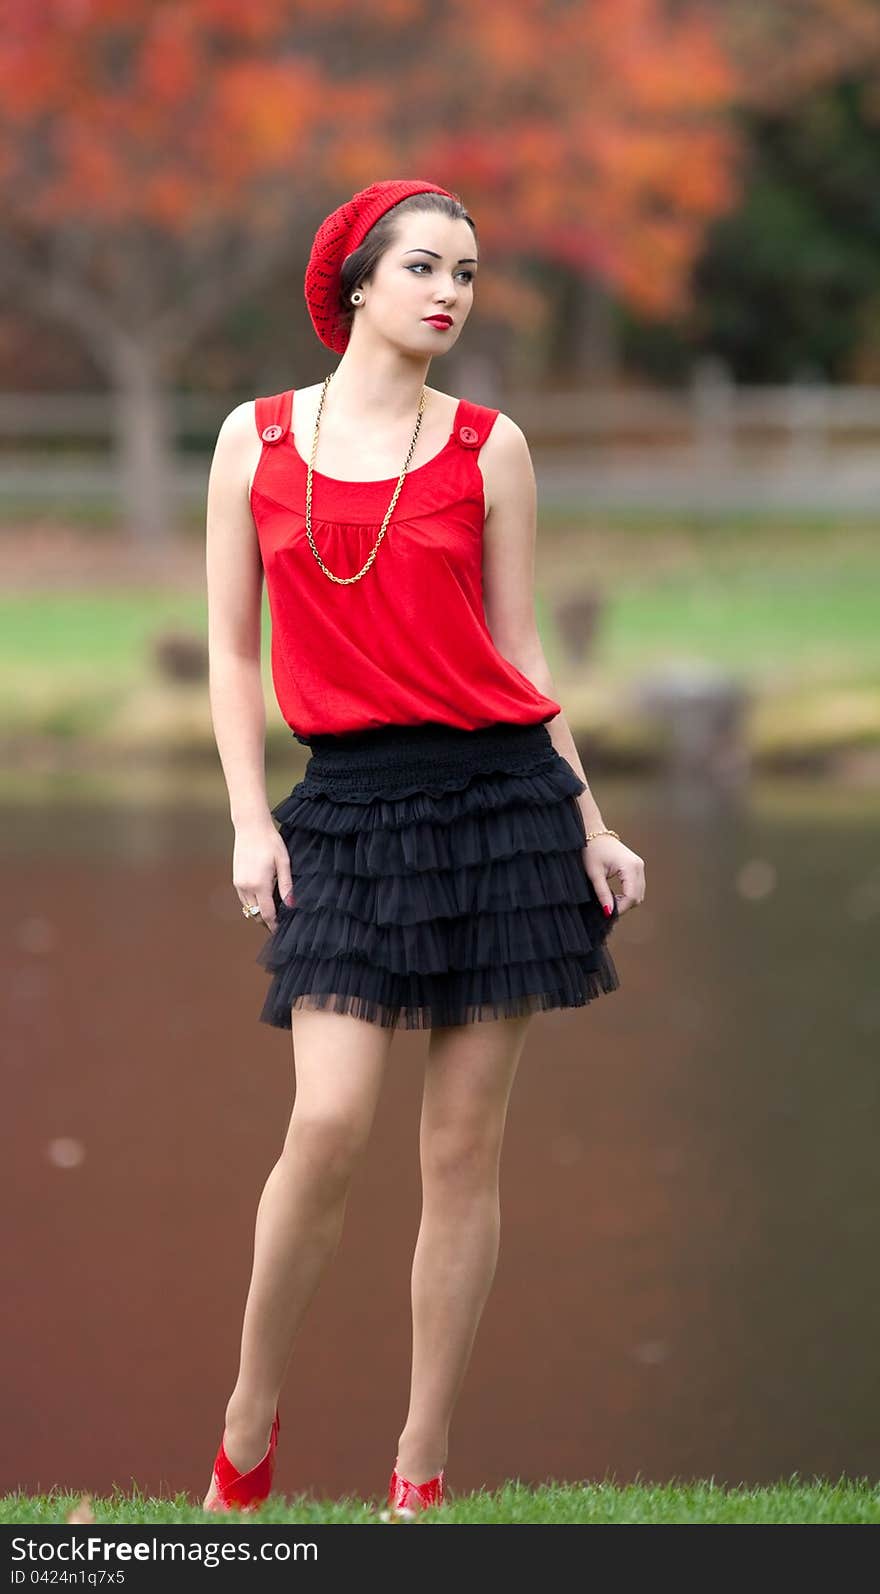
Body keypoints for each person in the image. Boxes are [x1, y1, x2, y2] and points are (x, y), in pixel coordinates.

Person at [201, 178, 646, 1517]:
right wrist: (244, 817)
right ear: (356, 286)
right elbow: (230, 648)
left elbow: (521, 654)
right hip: (342, 806)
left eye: (466, 271)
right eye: (425, 267)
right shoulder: (256, 439)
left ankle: (418, 1474)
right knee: (327, 1119)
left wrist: (591, 817)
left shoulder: (489, 446)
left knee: (462, 1155)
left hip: (500, 806)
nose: (451, 291)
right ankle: (247, 1423)